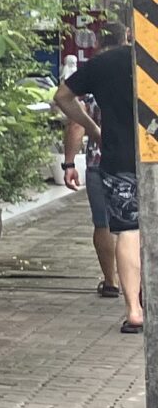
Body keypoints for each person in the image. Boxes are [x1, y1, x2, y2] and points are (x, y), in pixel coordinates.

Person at [58, 35, 142, 332]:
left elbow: (62, 96)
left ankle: (134, 310)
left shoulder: (105, 63)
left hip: (119, 160)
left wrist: (96, 130)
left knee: (128, 231)